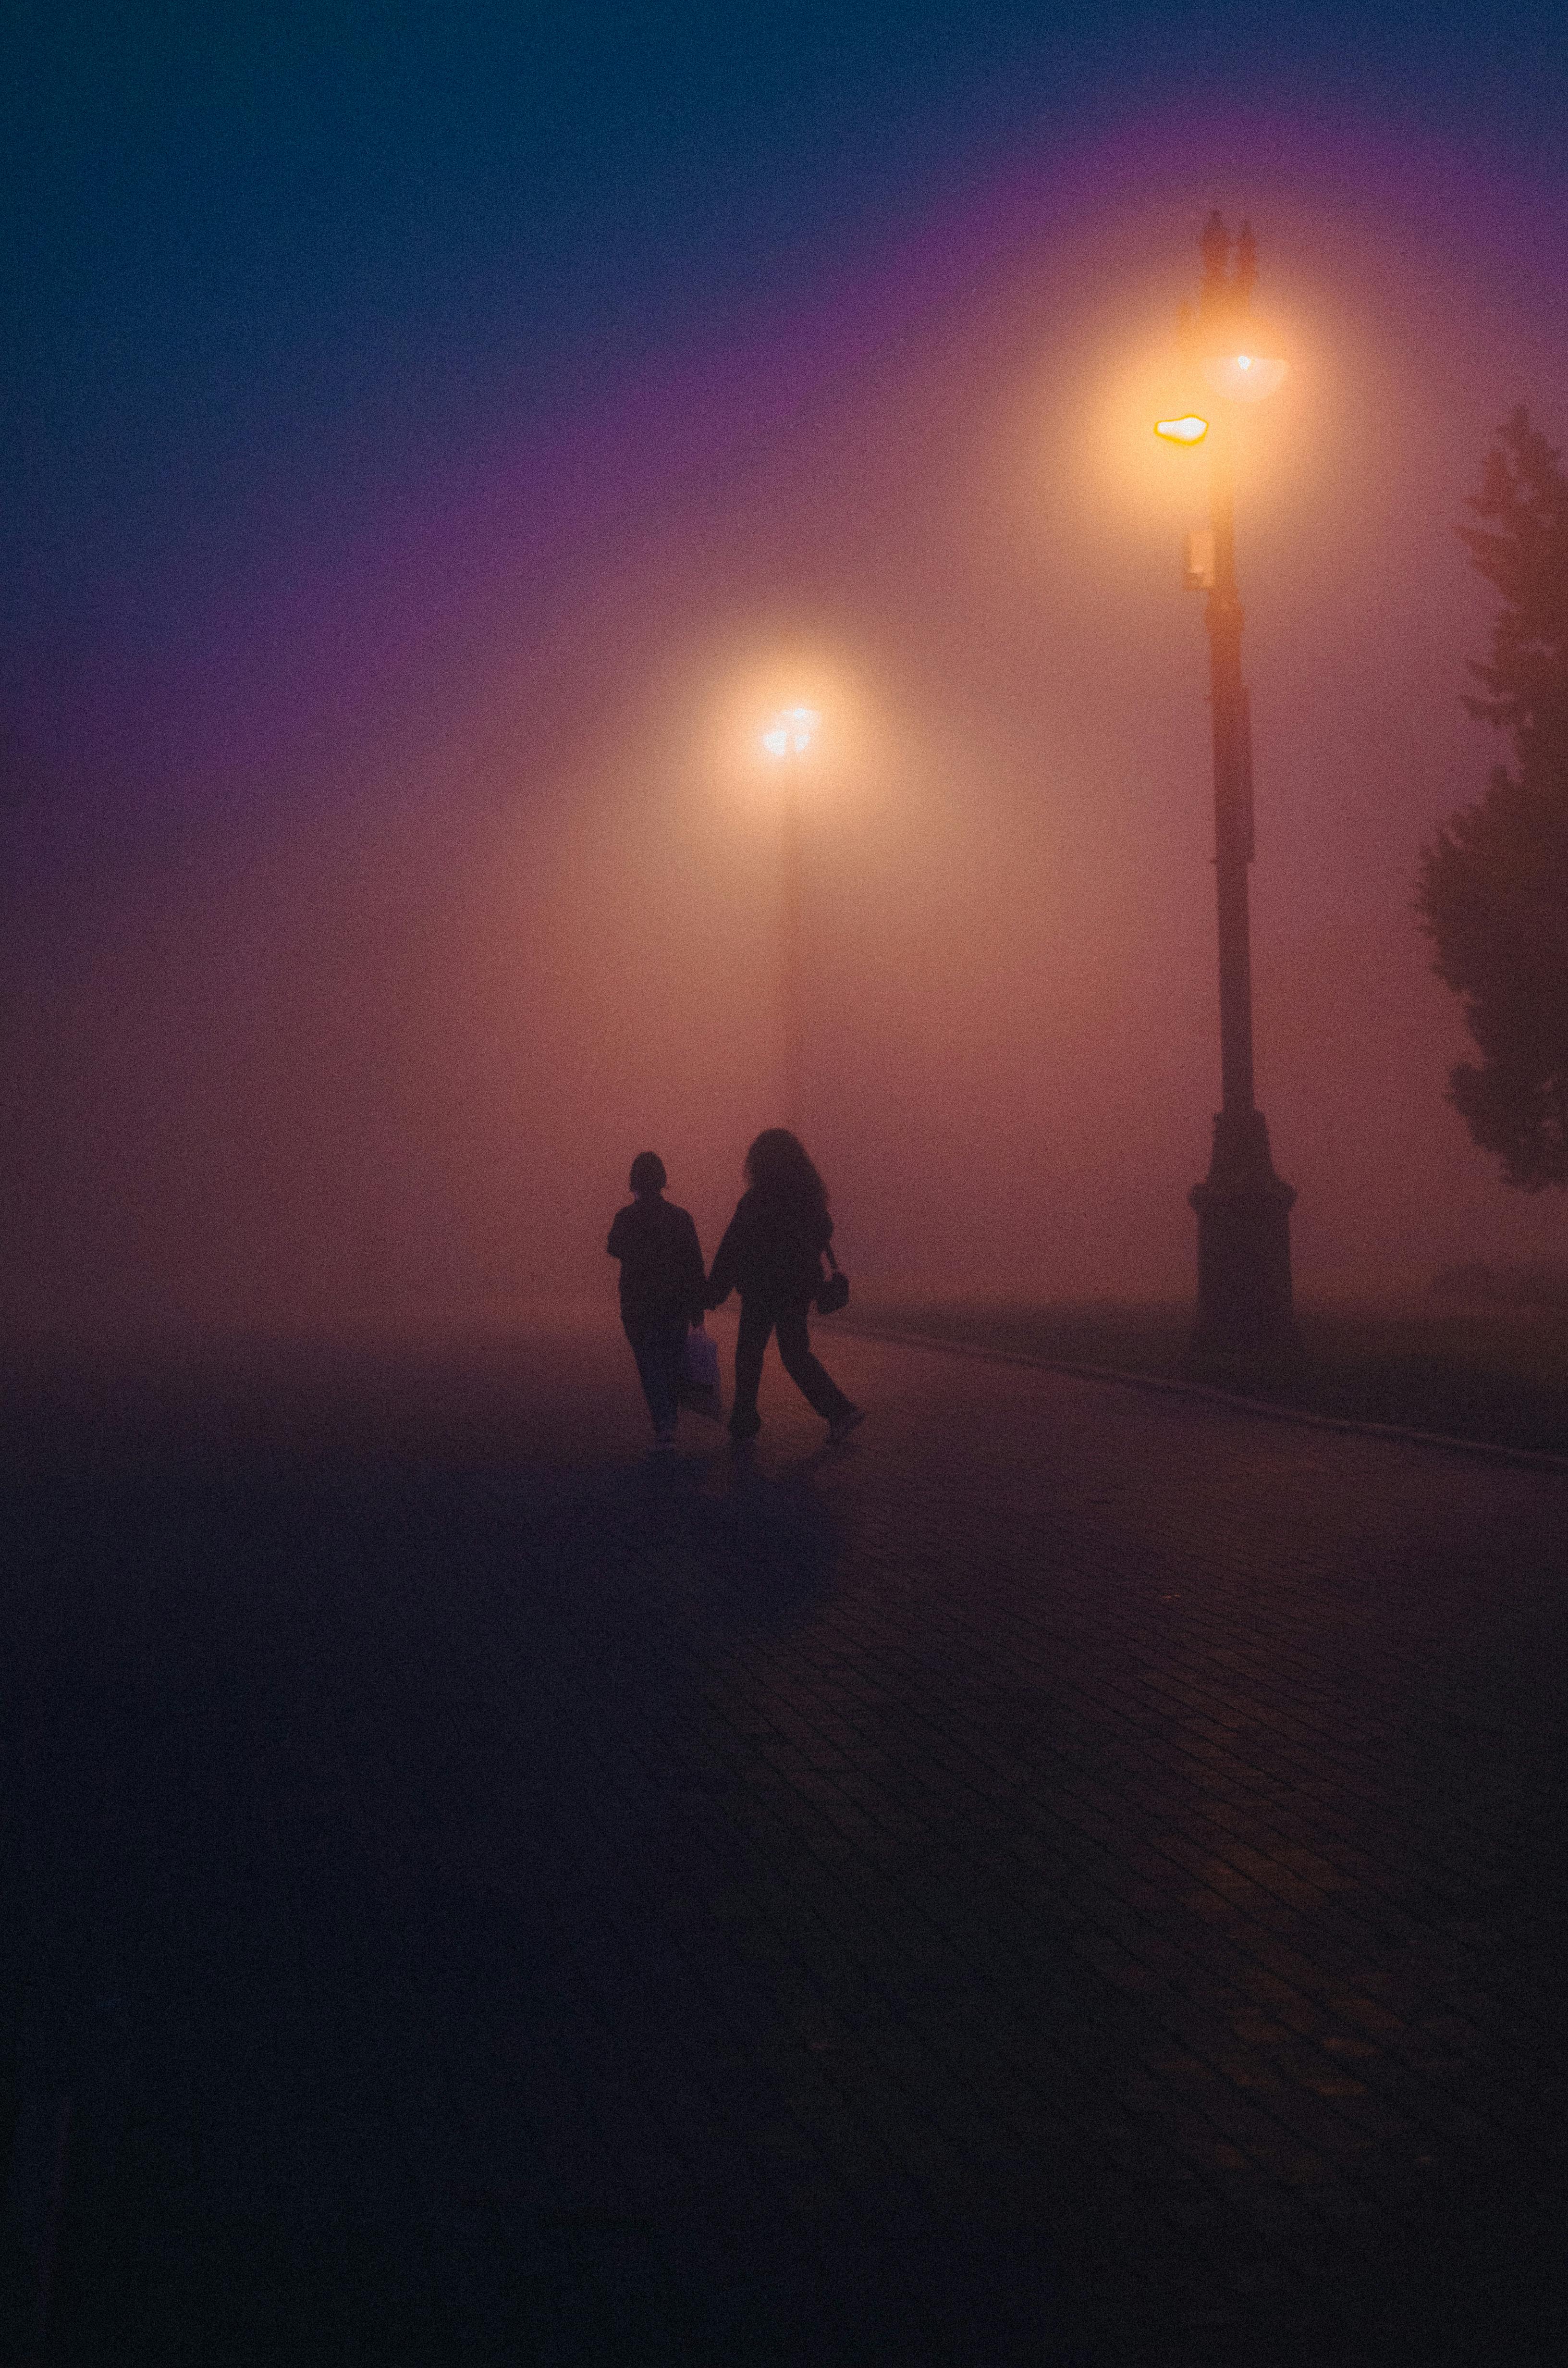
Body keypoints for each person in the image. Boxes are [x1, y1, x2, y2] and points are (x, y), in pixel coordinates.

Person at [705, 1128, 863, 1447]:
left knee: (749, 1353)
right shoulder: (807, 1199)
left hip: (760, 1289)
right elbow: (823, 1229)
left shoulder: (755, 1201)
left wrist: (713, 1292)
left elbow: (732, 1248)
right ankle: (838, 1410)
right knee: (795, 1353)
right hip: (796, 1289)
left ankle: (745, 1419)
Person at [607, 1152, 707, 1449]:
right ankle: (670, 1418)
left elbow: (614, 1248)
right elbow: (694, 1264)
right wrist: (697, 1306)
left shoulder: (625, 1218)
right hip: (674, 1302)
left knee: (649, 1363)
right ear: (662, 1179)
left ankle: (664, 1423)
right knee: (671, 1359)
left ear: (634, 1181)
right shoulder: (680, 1218)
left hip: (637, 1304)